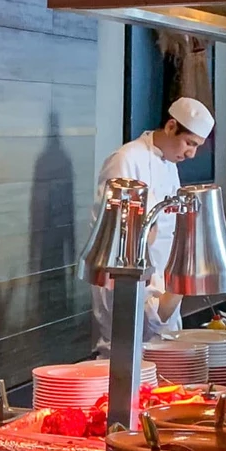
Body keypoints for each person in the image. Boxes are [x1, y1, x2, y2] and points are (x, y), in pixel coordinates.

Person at [91, 97, 214, 352]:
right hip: (128, 278)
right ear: (171, 127)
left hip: (162, 281)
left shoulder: (170, 163)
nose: (191, 154)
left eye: (197, 147)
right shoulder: (126, 159)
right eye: (189, 143)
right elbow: (118, 233)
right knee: (126, 352)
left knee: (166, 358)